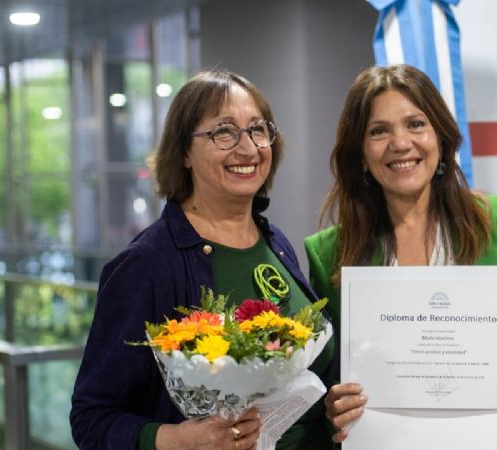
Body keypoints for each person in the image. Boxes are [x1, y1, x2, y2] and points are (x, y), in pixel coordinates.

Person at [304, 64, 497, 449]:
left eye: (415, 124)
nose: (400, 143)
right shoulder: (329, 254)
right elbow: (327, 381)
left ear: (441, 136)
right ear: (360, 153)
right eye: (378, 131)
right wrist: (332, 408)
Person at [71, 70, 335, 450]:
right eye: (224, 132)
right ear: (183, 153)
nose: (247, 148)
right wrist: (176, 439)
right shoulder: (146, 265)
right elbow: (91, 419)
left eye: (258, 130)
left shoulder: (276, 243)